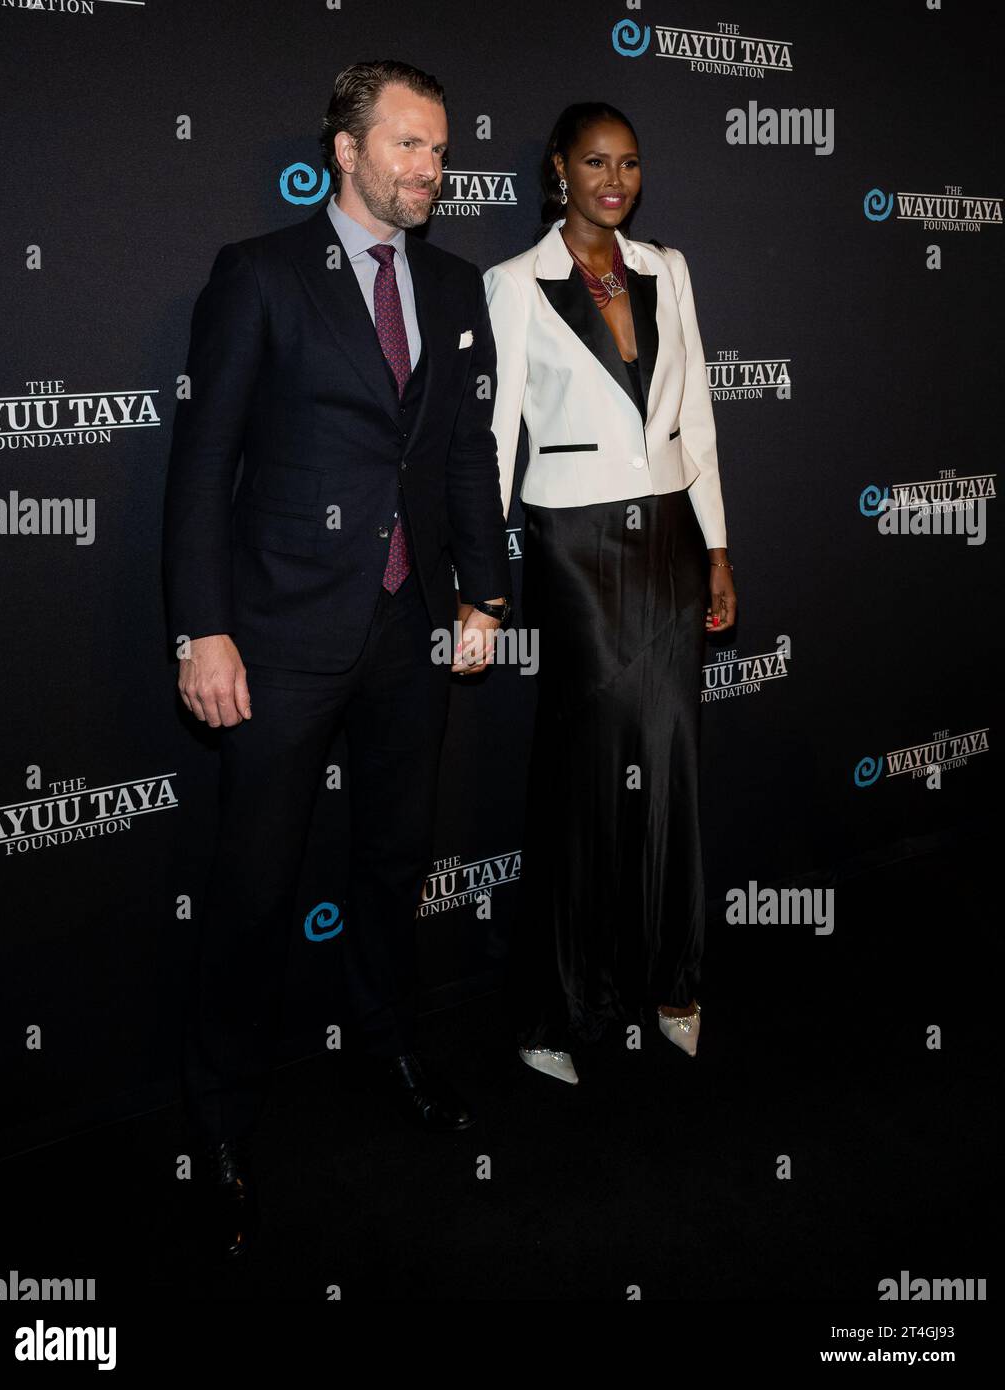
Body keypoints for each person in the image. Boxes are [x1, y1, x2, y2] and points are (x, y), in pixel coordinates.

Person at [162, 59, 512, 1258]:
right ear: (345, 148)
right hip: (279, 639)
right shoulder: (260, 275)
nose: (430, 168)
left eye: (439, 150)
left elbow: (465, 452)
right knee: (255, 888)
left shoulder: (456, 284)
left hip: (412, 634)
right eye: (408, 146)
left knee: (391, 862)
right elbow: (203, 466)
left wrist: (483, 592)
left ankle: (393, 1054)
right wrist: (202, 628)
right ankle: (219, 1122)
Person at [483, 103, 737, 1086]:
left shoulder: (666, 270)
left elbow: (698, 416)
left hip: (669, 537)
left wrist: (716, 545)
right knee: (584, 769)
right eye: (594, 162)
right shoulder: (514, 285)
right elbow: (497, 435)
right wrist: (482, 578)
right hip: (577, 546)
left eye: (628, 163)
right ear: (558, 169)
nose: (613, 180)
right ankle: (556, 1005)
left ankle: (672, 982)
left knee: (670, 759)